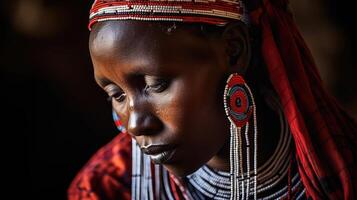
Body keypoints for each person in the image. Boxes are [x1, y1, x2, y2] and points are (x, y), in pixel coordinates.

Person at [68, 0, 357, 199]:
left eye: (156, 85)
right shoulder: (105, 187)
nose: (134, 123)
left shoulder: (341, 171)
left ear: (233, 51)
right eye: (116, 95)